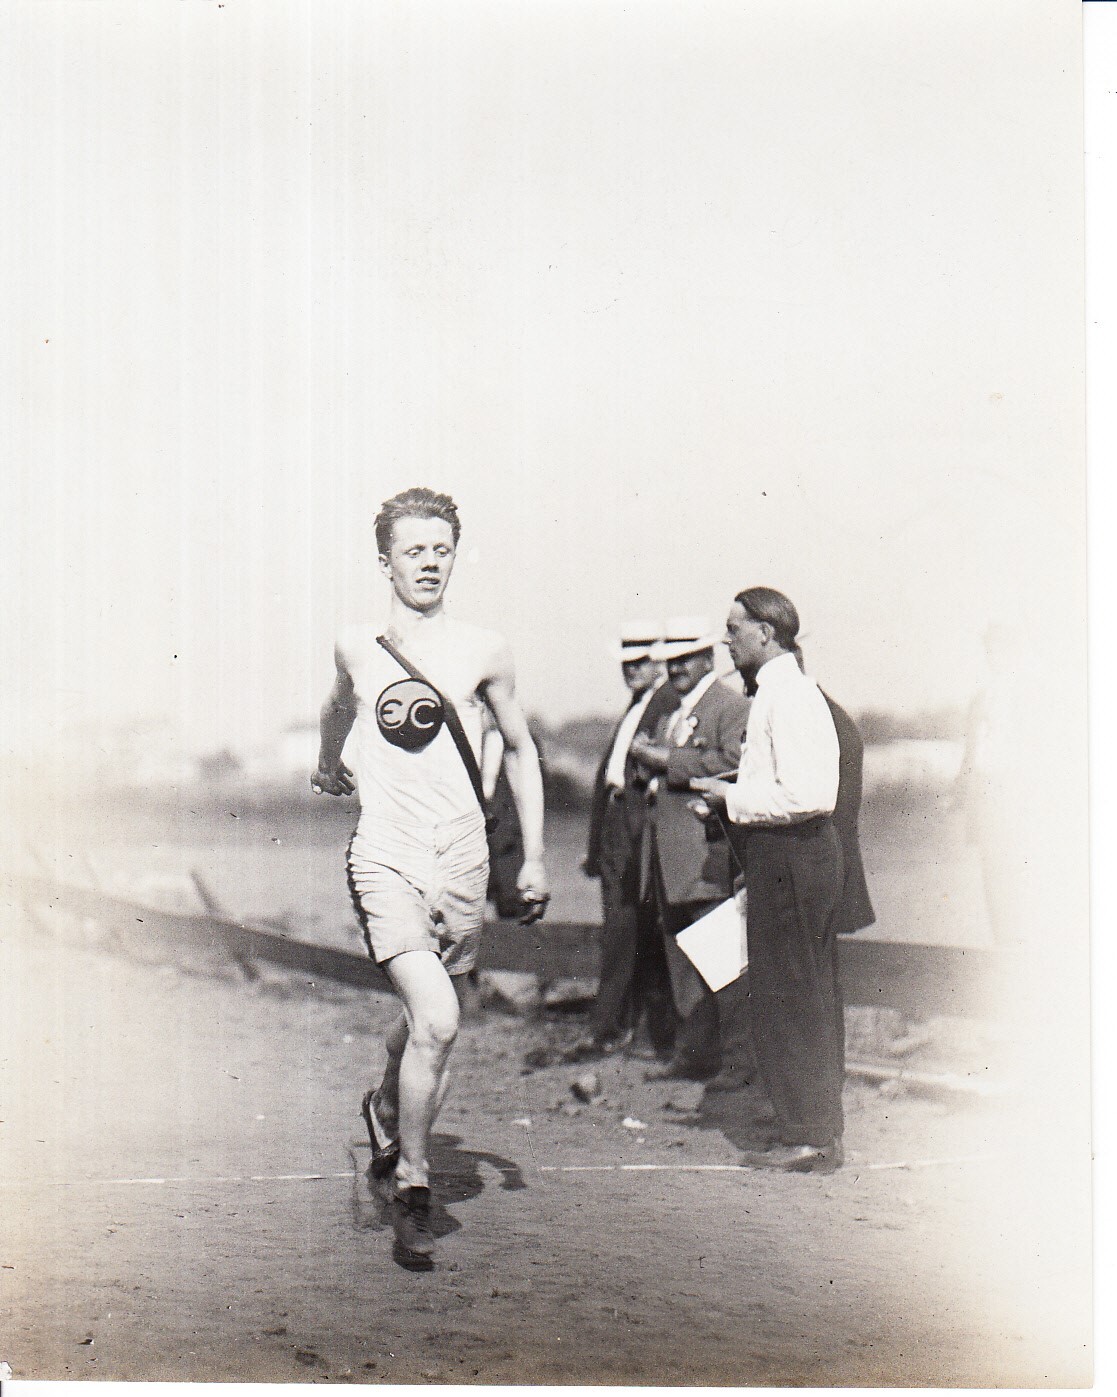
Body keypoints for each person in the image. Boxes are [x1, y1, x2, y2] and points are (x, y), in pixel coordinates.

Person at [312, 486, 549, 1256]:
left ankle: (386, 1106)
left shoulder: (485, 649)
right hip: (384, 851)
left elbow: (518, 747)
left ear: (455, 557)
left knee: (431, 1019)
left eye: (441, 549)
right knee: (440, 1020)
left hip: (462, 856)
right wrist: (327, 767)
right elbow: (336, 707)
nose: (429, 563)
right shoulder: (355, 644)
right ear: (384, 561)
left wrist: (536, 856)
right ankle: (411, 1175)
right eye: (413, 550)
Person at [692, 588, 844, 1172]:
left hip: (797, 857)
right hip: (781, 857)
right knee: (786, 995)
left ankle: (810, 1135)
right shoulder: (775, 695)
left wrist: (729, 796)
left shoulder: (793, 696)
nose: (726, 641)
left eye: (734, 628)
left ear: (767, 632)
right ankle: (804, 1125)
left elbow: (811, 796)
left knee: (794, 998)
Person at [630, 617, 751, 1081]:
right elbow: (650, 775)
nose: (677, 668)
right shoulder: (670, 714)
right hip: (666, 858)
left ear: (708, 658)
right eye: (670, 660)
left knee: (721, 962)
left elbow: (733, 765)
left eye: (686, 658)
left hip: (705, 856)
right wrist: (646, 763)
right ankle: (695, 1054)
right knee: (681, 962)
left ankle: (736, 1063)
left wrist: (664, 759)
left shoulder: (730, 706)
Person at [573, 622, 679, 1061]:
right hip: (619, 826)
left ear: (658, 664)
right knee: (620, 927)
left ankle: (617, 1028)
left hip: (642, 827)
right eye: (626, 664)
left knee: (632, 929)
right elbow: (610, 779)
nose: (631, 671)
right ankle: (617, 1027)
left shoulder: (668, 702)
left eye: (640, 663)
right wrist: (598, 846)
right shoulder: (636, 706)